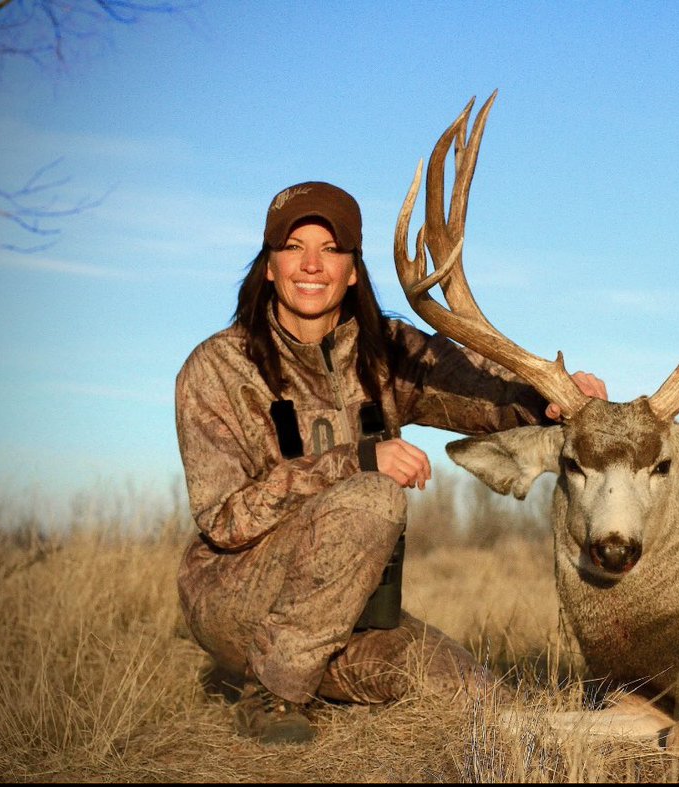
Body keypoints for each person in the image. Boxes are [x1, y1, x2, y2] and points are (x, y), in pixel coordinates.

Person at [174, 181, 606, 745]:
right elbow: (224, 520)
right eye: (294, 247)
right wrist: (356, 460)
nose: (311, 265)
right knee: (373, 496)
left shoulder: (387, 351)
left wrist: (546, 399)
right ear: (270, 267)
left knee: (478, 699)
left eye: (331, 250)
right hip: (235, 598)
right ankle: (273, 691)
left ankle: (310, 672)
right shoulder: (218, 368)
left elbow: (480, 391)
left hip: (354, 612)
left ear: (353, 270)